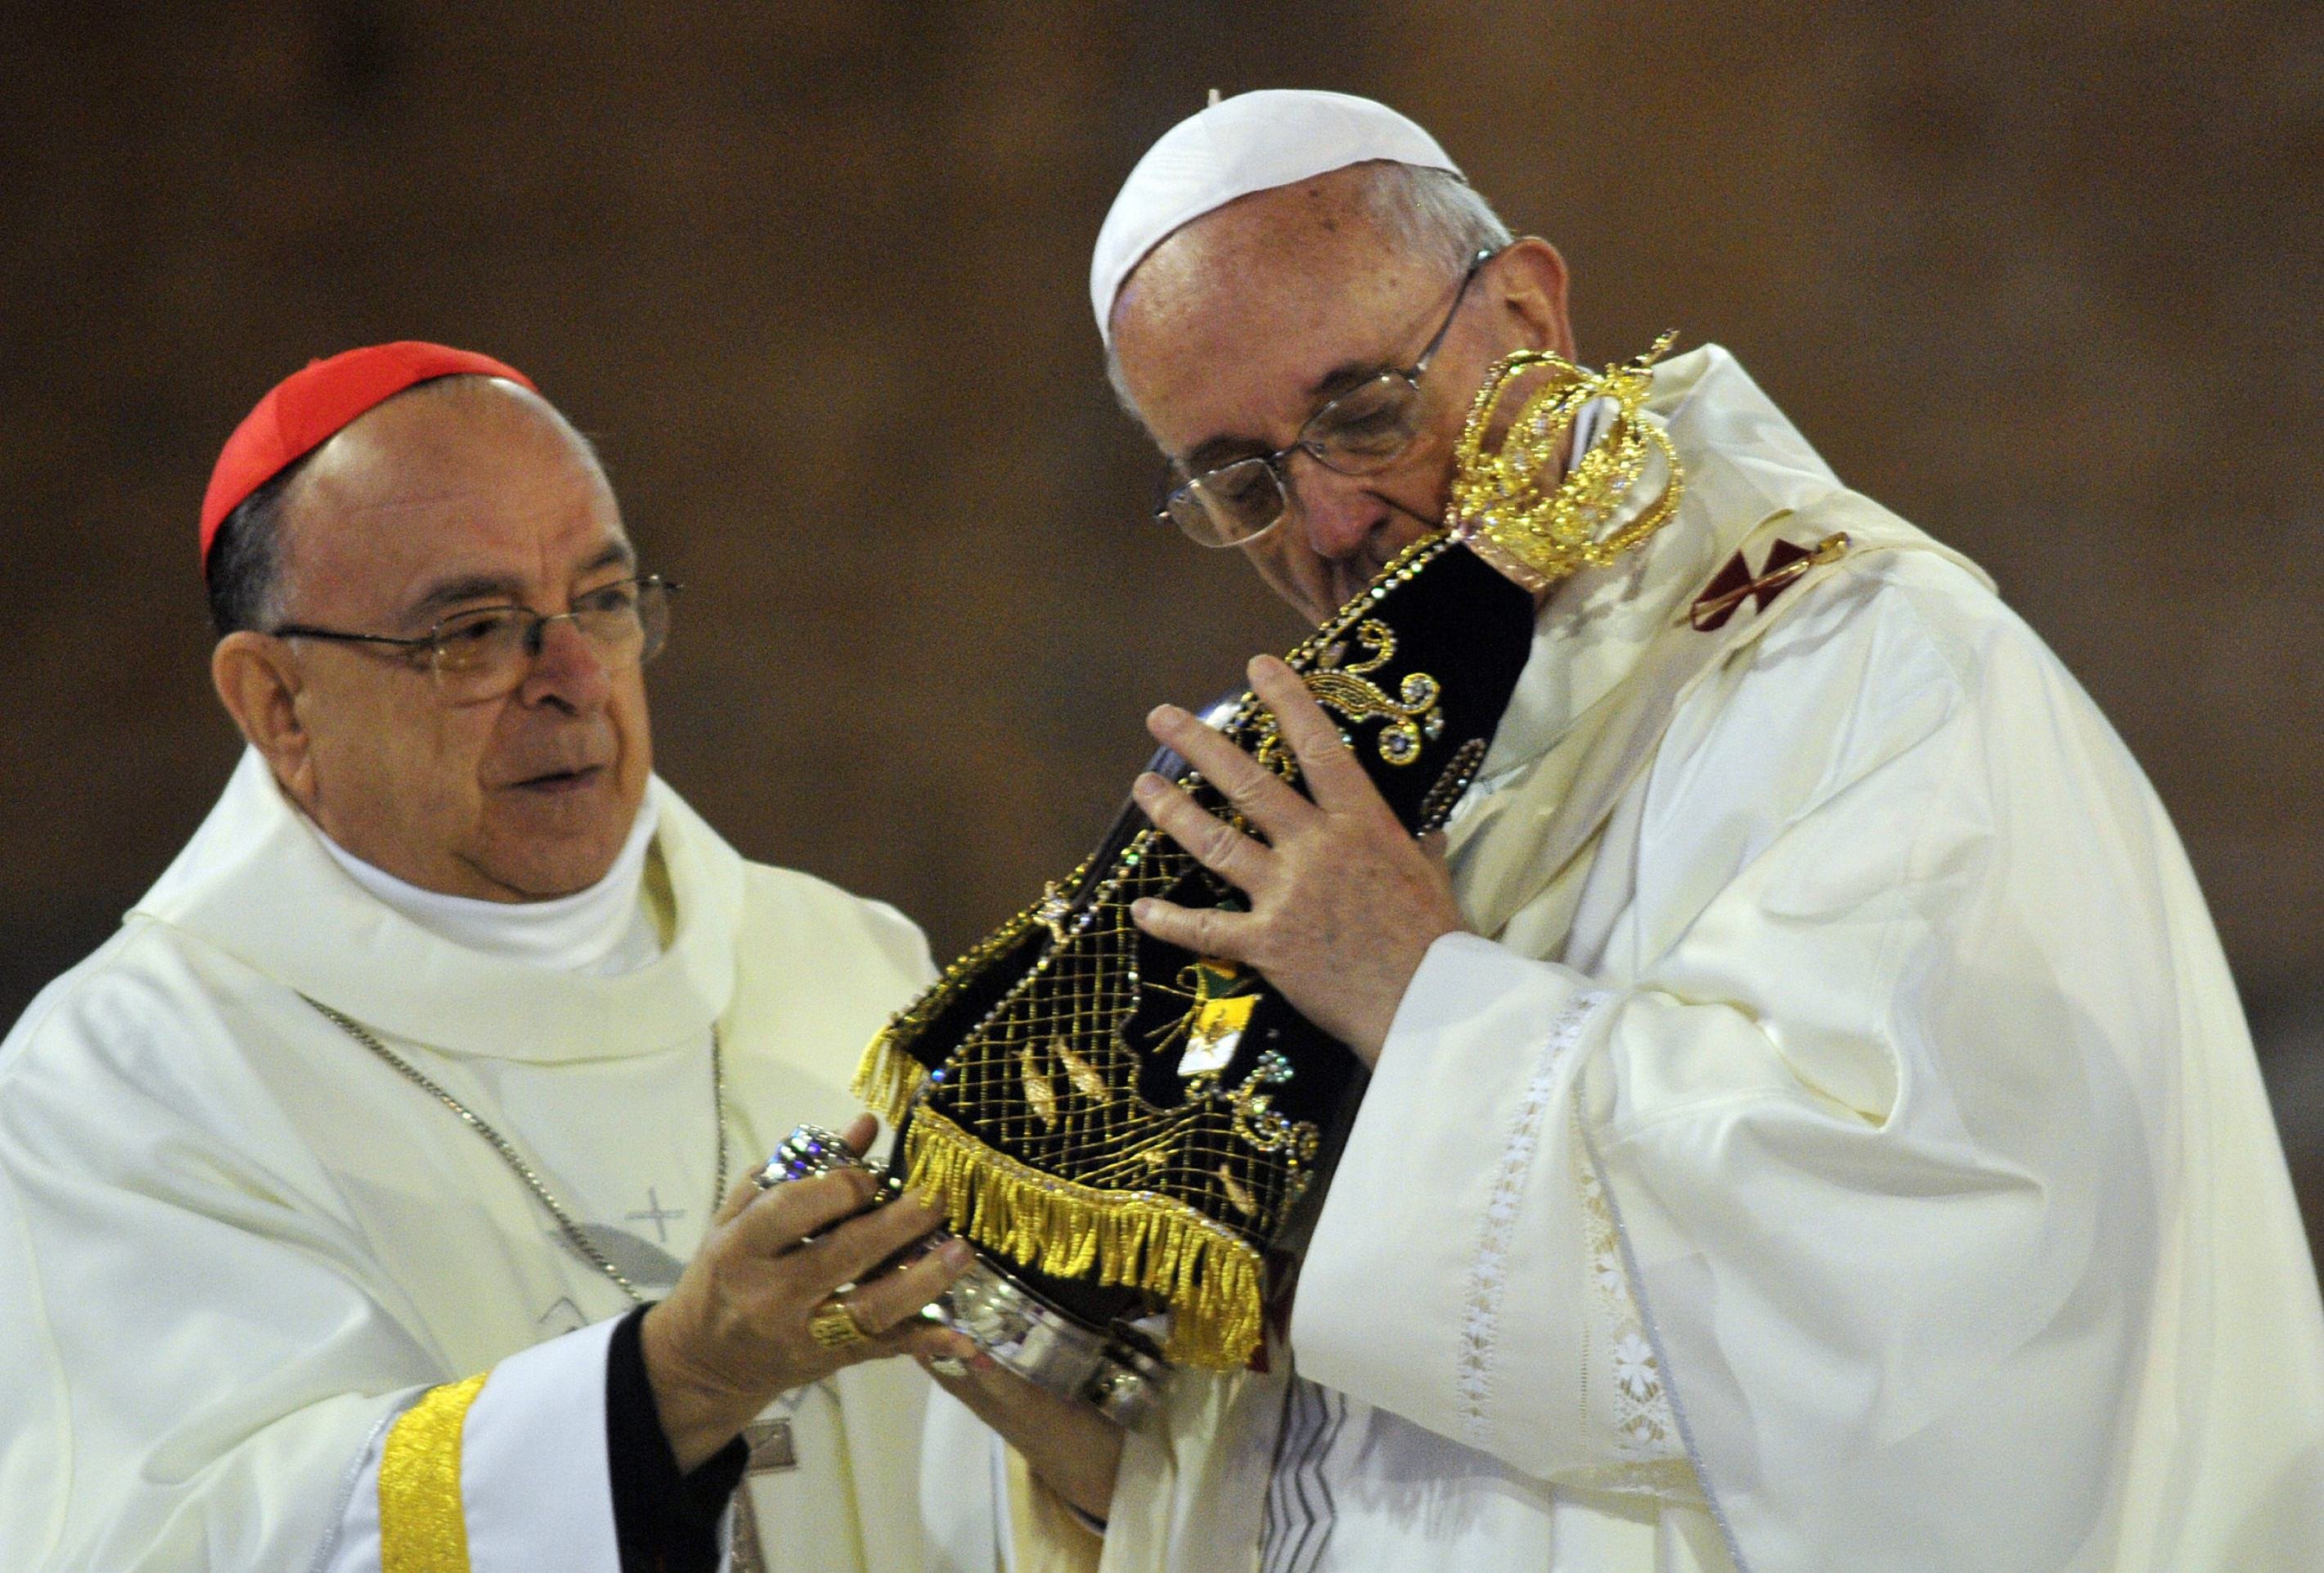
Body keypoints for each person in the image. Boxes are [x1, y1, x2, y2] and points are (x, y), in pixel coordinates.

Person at [961, 89, 2324, 1572]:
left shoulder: (1875, 670)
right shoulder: (1332, 761)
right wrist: (1071, 1420)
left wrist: (1420, 999)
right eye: (1240, 480)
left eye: (1361, 412)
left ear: (1530, 315)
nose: (1333, 520)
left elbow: (1927, 1277)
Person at [0, 341, 992, 1572]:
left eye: (603, 602)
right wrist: (672, 1384)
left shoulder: (847, 961)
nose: (572, 679)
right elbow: (188, 1543)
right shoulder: (127, 1076)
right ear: (278, 705)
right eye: (471, 634)